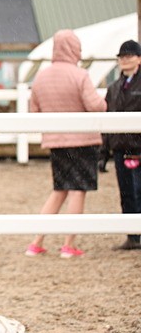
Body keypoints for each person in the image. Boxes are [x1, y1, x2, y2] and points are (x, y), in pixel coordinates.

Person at [25, 29, 106, 259]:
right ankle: (69, 244)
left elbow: (35, 109)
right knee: (77, 190)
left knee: (59, 190)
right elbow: (96, 106)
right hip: (82, 141)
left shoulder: (42, 77)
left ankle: (36, 241)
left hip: (56, 141)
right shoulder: (79, 75)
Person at [103, 39, 141, 250]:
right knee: (126, 192)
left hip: (139, 147)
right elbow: (108, 119)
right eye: (122, 57)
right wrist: (104, 150)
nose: (125, 60)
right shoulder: (114, 88)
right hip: (120, 147)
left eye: (129, 56)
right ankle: (133, 236)